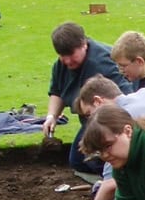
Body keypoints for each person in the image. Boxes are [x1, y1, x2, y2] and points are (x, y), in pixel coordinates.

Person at [41, 22, 134, 171]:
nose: (67, 61)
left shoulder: (102, 63)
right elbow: (57, 91)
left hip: (109, 119)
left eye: (71, 55)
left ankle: (115, 177)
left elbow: (123, 99)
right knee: (78, 161)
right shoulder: (61, 66)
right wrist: (52, 116)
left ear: (84, 44)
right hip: (89, 119)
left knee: (95, 159)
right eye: (62, 56)